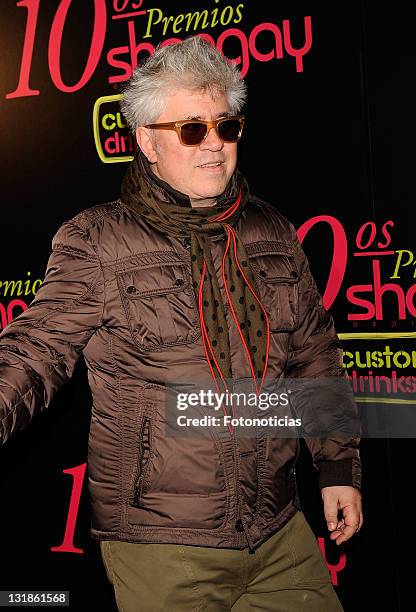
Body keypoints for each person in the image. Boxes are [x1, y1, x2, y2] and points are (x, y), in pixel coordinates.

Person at [0, 36, 363, 611]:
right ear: (146, 140)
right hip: (164, 546)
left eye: (227, 126)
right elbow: (34, 351)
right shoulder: (98, 240)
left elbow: (314, 354)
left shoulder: (272, 231)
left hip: (279, 530)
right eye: (192, 129)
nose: (215, 145)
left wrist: (337, 465)